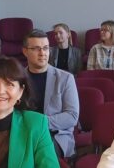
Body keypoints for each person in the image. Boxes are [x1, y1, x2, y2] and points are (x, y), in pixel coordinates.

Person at [21, 30, 79, 158]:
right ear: (25, 51)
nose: (42, 53)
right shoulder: (17, 79)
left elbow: (72, 116)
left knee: (40, 152)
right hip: (23, 132)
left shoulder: (65, 78)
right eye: (36, 48)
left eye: (46, 48)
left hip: (55, 134)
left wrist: (40, 123)